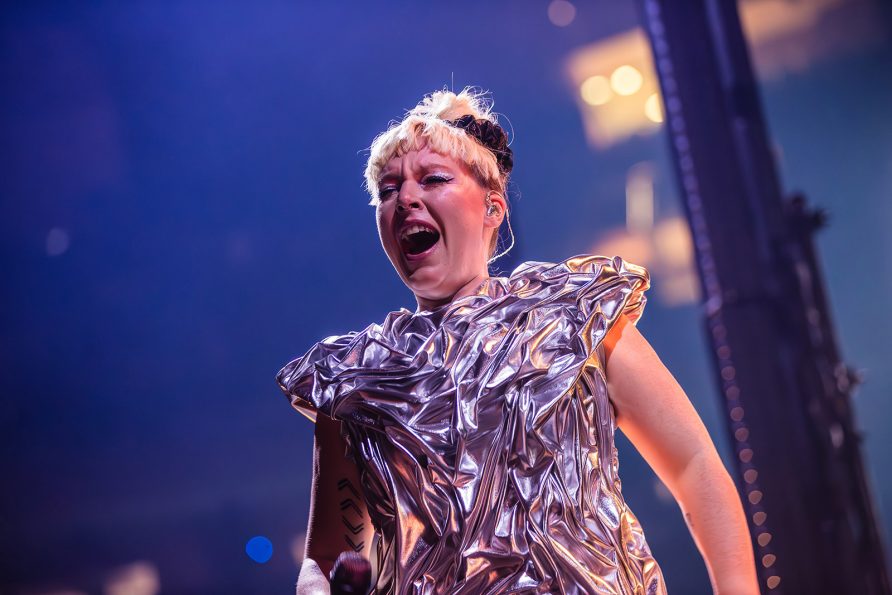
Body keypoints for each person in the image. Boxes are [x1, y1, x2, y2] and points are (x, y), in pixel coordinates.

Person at [277, 87, 759, 594]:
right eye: (388, 189)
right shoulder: (358, 379)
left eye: (434, 179)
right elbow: (328, 558)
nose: (406, 199)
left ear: (492, 208)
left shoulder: (573, 315)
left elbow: (694, 467)